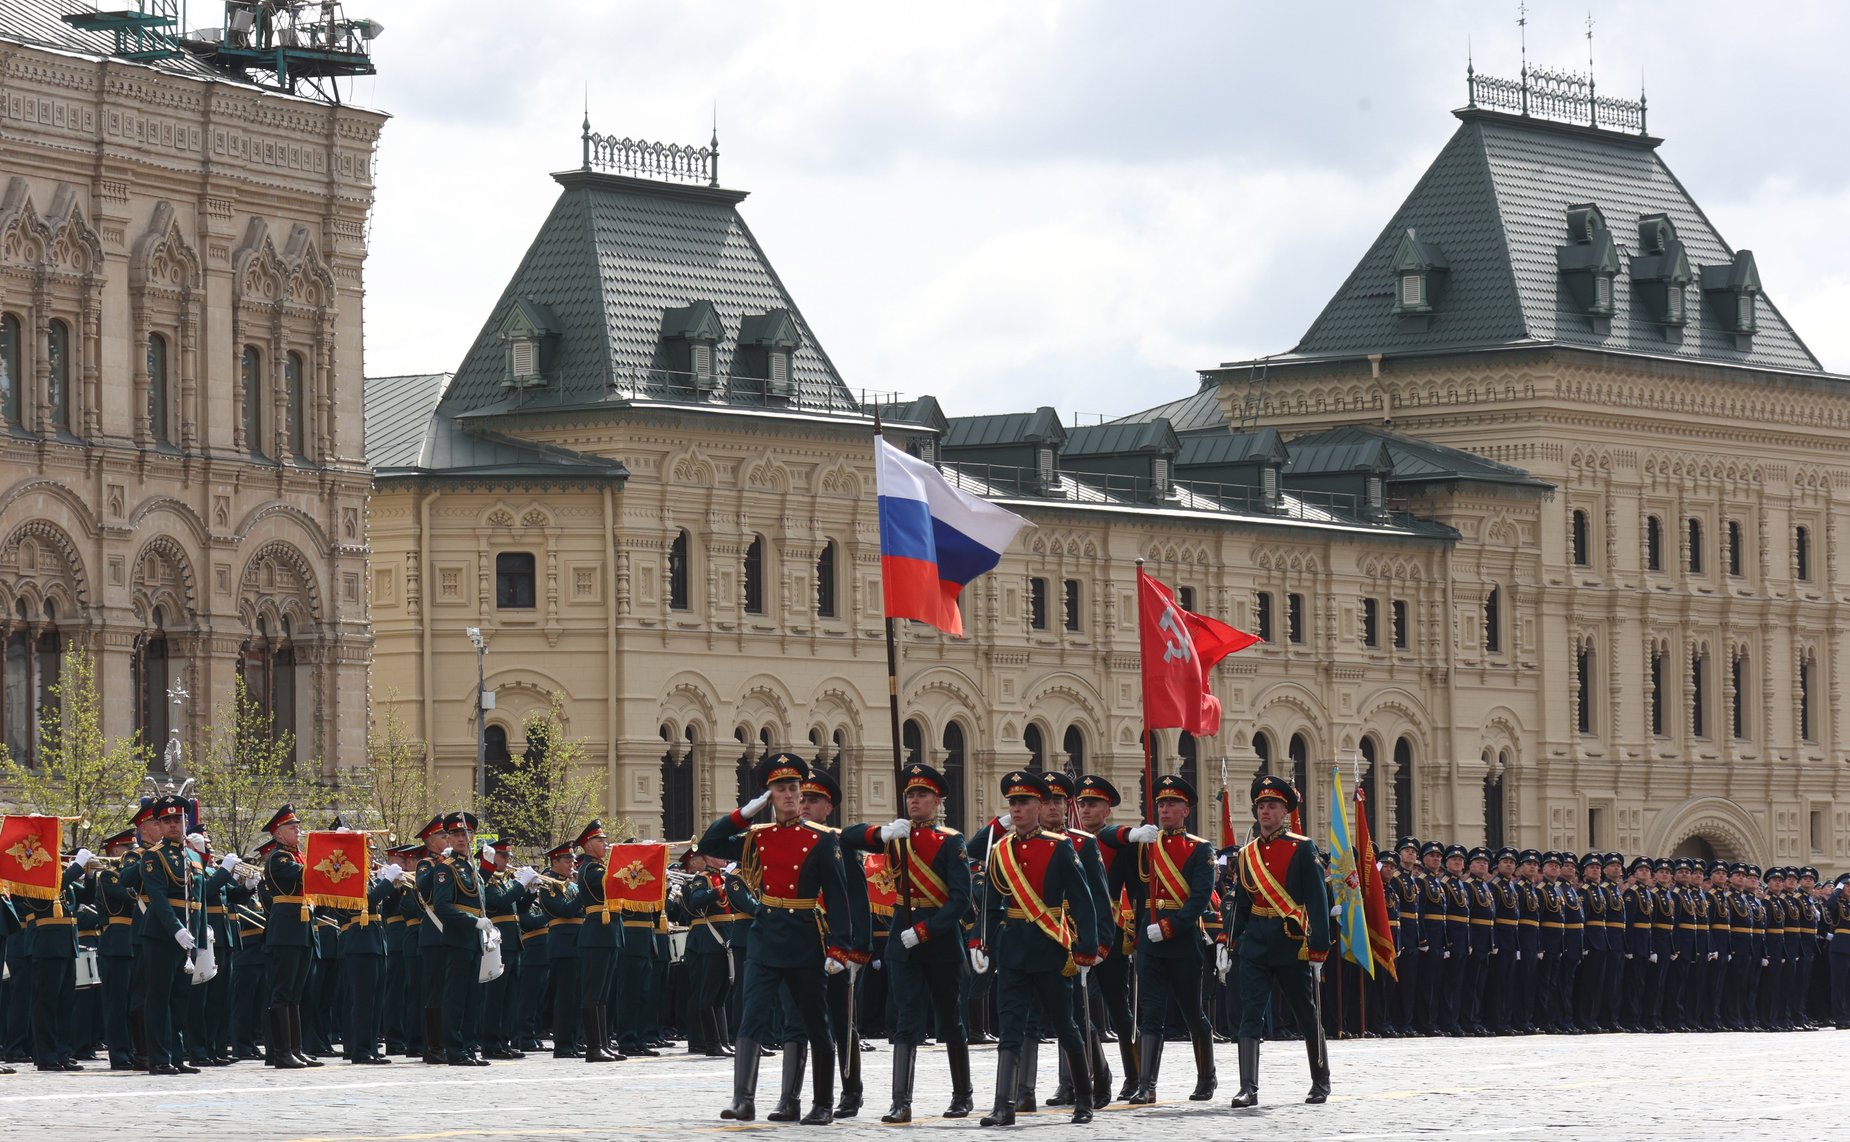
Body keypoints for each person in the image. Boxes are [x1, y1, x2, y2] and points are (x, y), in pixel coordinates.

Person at [701, 752, 853, 1125]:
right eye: (780, 789)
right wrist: (744, 813)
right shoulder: (757, 837)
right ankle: (743, 1099)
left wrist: (839, 947)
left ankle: (820, 1102)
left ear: (801, 795)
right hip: (767, 934)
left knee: (815, 1022)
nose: (788, 795)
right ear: (770, 795)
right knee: (751, 1016)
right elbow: (711, 842)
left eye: (793, 788)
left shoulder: (821, 839)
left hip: (804, 935)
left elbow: (837, 895)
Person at [838, 762, 970, 1123]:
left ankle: (962, 1094)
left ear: (937, 800)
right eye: (910, 794)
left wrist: (926, 931)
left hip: (938, 939)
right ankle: (901, 1101)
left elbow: (960, 900)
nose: (915, 800)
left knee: (949, 1019)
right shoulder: (895, 836)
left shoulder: (950, 840)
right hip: (902, 937)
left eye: (922, 794)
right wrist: (879, 832)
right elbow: (846, 837)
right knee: (906, 1021)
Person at [973, 769, 1098, 1127]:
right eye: (1013, 802)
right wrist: (979, 942)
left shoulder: (1060, 847)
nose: (1017, 809)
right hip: (1013, 950)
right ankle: (1003, 1104)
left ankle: (1084, 1098)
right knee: (1010, 1027)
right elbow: (991, 902)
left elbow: (1082, 899)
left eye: (1024, 802)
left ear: (1039, 806)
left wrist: (1086, 947)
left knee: (1065, 1024)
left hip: (1050, 949)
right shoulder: (1001, 850)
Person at [1097, 772, 1216, 1105]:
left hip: (1182, 940)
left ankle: (1207, 1076)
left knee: (1193, 1011)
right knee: (1150, 1014)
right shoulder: (1143, 845)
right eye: (1161, 804)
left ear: (1186, 809)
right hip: (1148, 942)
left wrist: (1169, 927)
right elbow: (1104, 838)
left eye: (1172, 804)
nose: (1164, 810)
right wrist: (1130, 834)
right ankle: (1147, 1085)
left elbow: (1199, 899)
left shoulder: (1199, 849)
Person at [1226, 774, 1331, 1109]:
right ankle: (1248, 1087)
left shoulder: (1302, 848)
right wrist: (1228, 944)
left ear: (1285, 812)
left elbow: (1317, 900)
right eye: (1261, 806)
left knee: (1305, 1012)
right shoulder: (1247, 854)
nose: (1265, 811)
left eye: (1272, 806)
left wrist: (1319, 947)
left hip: (1291, 941)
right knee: (1251, 1013)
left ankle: (1320, 1079)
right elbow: (1241, 903)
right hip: (1256, 941)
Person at [1074, 775, 1139, 1097]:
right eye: (1082, 803)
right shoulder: (1067, 840)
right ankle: (1078, 1079)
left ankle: (1134, 1074)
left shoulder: (1113, 841)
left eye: (1093, 804)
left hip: (1109, 930)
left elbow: (1116, 837)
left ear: (1107, 809)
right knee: (1072, 1009)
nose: (1086, 809)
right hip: (1071, 930)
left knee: (1118, 1005)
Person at [136, 795, 199, 1075]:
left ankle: (177, 1054)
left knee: (180, 998)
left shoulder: (190, 856)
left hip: (188, 934)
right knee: (159, 997)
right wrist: (176, 929)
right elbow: (158, 898)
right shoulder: (154, 856)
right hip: (162, 935)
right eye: (168, 821)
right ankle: (159, 1058)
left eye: (179, 819)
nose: (175, 825)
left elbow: (197, 898)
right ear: (159, 825)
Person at [572, 819, 621, 1064]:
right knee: (593, 992)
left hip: (608, 935)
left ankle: (602, 1044)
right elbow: (614, 883)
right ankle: (593, 1047)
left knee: (602, 994)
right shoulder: (592, 869)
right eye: (600, 840)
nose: (605, 844)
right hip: (596, 935)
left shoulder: (600, 866)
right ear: (588, 845)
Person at [535, 841, 585, 1058]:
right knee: (564, 998)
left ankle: (574, 1040)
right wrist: (584, 892)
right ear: (554, 862)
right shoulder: (549, 885)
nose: (572, 864)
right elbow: (563, 910)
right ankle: (563, 1044)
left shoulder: (572, 885)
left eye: (573, 860)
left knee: (577, 997)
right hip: (562, 944)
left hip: (579, 942)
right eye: (567, 860)